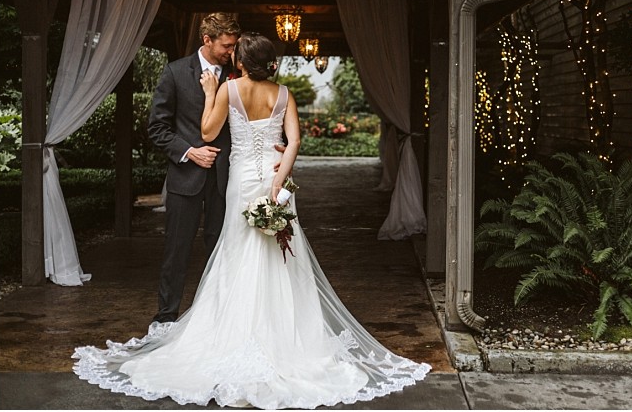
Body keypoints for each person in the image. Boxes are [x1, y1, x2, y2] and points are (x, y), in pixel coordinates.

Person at [73, 33, 430, 408]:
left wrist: (211, 93)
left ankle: (234, 330)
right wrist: (278, 181)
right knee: (282, 255)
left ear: (241, 63)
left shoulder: (229, 88)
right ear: (270, 64)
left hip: (242, 179)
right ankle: (287, 336)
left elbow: (208, 132)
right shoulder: (284, 94)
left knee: (236, 250)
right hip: (272, 179)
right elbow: (293, 142)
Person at [147, 12, 240, 324]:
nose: (231, 51)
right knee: (176, 252)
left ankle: (219, 319)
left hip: (226, 179)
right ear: (207, 40)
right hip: (185, 177)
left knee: (223, 250)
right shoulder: (174, 73)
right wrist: (190, 152)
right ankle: (166, 318)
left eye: (234, 45)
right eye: (226, 45)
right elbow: (157, 128)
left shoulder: (237, 75)